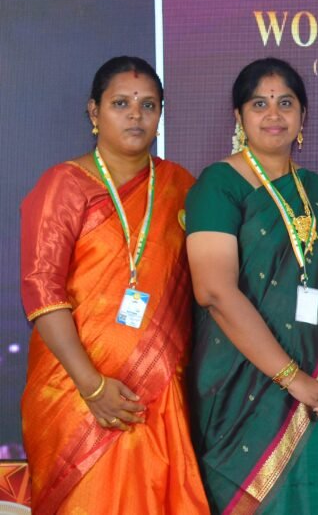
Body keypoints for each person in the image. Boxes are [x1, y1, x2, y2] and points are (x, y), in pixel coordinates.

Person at [20, 57, 209, 514]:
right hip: (75, 393)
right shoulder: (64, 185)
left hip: (158, 394)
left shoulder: (181, 186)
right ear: (94, 111)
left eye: (148, 105)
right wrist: (92, 387)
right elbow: (42, 291)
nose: (135, 115)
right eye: (121, 103)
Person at [185, 58, 318, 514]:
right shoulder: (219, 185)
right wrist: (292, 379)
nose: (274, 115)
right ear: (239, 116)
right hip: (241, 389)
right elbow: (214, 292)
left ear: (303, 115)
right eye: (259, 104)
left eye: (286, 103)